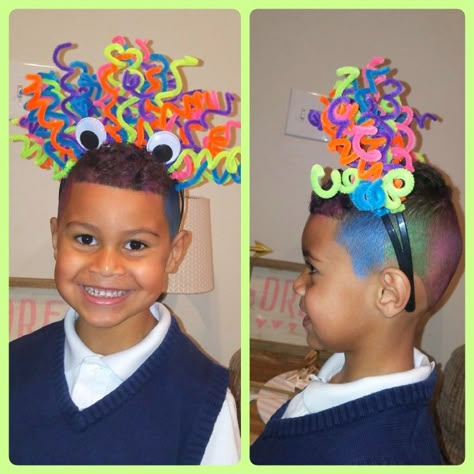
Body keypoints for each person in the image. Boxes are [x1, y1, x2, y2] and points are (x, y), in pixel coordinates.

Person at [10, 143, 240, 465]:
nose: (106, 266)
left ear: (174, 254)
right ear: (55, 238)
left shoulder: (206, 403)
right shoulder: (13, 365)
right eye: (85, 239)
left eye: (135, 244)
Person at [250, 160, 463, 465]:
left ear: (388, 294)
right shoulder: (338, 375)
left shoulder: (382, 457)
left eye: (313, 269)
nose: (298, 284)